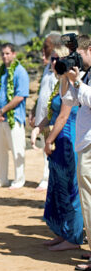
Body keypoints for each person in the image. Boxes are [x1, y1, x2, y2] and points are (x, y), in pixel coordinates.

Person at [43, 56, 88, 251]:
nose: (54, 63)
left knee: (70, 189)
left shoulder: (75, 83)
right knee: (57, 187)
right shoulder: (62, 82)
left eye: (58, 60)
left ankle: (75, 236)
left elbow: (63, 115)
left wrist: (48, 140)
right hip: (59, 138)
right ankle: (63, 232)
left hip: (67, 138)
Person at [63, 35, 91, 271]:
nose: (77, 61)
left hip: (90, 143)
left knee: (90, 199)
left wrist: (79, 82)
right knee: (87, 201)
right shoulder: (85, 75)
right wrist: (66, 79)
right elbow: (70, 101)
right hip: (84, 143)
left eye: (79, 56)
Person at [0, 42, 30, 189]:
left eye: (7, 53)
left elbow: (20, 96)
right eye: (2, 54)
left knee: (17, 149)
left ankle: (19, 180)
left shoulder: (20, 71)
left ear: (14, 54)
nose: (5, 56)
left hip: (14, 118)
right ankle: (1, 179)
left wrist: (3, 110)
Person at [33, 34, 66, 190]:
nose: (43, 49)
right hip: (43, 117)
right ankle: (47, 178)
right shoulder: (47, 68)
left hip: (54, 118)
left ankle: (47, 179)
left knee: (52, 150)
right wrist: (33, 111)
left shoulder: (61, 75)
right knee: (46, 150)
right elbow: (41, 93)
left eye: (46, 46)